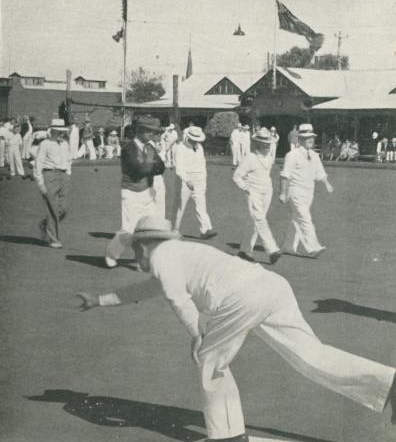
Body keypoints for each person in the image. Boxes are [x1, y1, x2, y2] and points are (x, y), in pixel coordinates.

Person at [77, 216, 396, 442]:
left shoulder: (162, 255)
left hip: (241, 298)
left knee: (210, 363)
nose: (135, 255)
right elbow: (146, 290)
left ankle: (227, 436)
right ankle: (388, 382)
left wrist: (197, 334)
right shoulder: (180, 253)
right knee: (313, 355)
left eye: (135, 249)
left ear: (146, 245)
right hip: (271, 286)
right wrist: (100, 300)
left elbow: (176, 298)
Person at [105, 116, 165, 268]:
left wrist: (148, 164)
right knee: (129, 230)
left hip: (148, 192)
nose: (153, 135)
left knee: (150, 228)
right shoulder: (128, 148)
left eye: (154, 132)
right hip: (131, 193)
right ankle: (112, 253)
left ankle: (144, 259)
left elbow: (161, 168)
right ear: (140, 131)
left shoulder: (150, 148)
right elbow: (137, 169)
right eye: (150, 131)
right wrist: (150, 164)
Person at [280, 123, 333, 258]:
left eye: (312, 137)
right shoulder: (292, 155)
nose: (311, 140)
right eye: (307, 138)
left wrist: (327, 183)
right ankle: (313, 248)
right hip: (295, 191)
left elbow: (320, 172)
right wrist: (283, 193)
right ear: (300, 139)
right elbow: (285, 175)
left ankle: (288, 246)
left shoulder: (314, 155)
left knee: (297, 218)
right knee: (305, 218)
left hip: (309, 192)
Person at [233, 128, 281, 264]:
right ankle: (272, 250)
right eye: (264, 144)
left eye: (269, 143)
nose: (267, 146)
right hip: (253, 192)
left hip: (267, 191)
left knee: (255, 220)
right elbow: (237, 176)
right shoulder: (250, 158)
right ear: (258, 144)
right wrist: (246, 188)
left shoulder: (270, 158)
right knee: (259, 219)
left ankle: (244, 251)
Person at [173, 126, 217, 239]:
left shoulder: (200, 147)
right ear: (188, 137)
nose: (196, 141)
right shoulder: (180, 148)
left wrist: (204, 179)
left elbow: (203, 164)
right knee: (180, 206)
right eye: (194, 138)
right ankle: (174, 230)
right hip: (185, 178)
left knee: (201, 204)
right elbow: (179, 166)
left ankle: (206, 229)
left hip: (199, 178)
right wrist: (186, 180)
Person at [34, 119, 71, 249]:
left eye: (63, 131)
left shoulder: (65, 144)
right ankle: (53, 238)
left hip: (63, 176)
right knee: (51, 209)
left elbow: (69, 159)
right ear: (53, 131)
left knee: (64, 208)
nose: (62, 134)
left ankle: (45, 225)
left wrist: (68, 173)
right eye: (60, 131)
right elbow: (38, 164)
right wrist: (40, 183)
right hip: (49, 175)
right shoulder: (45, 144)